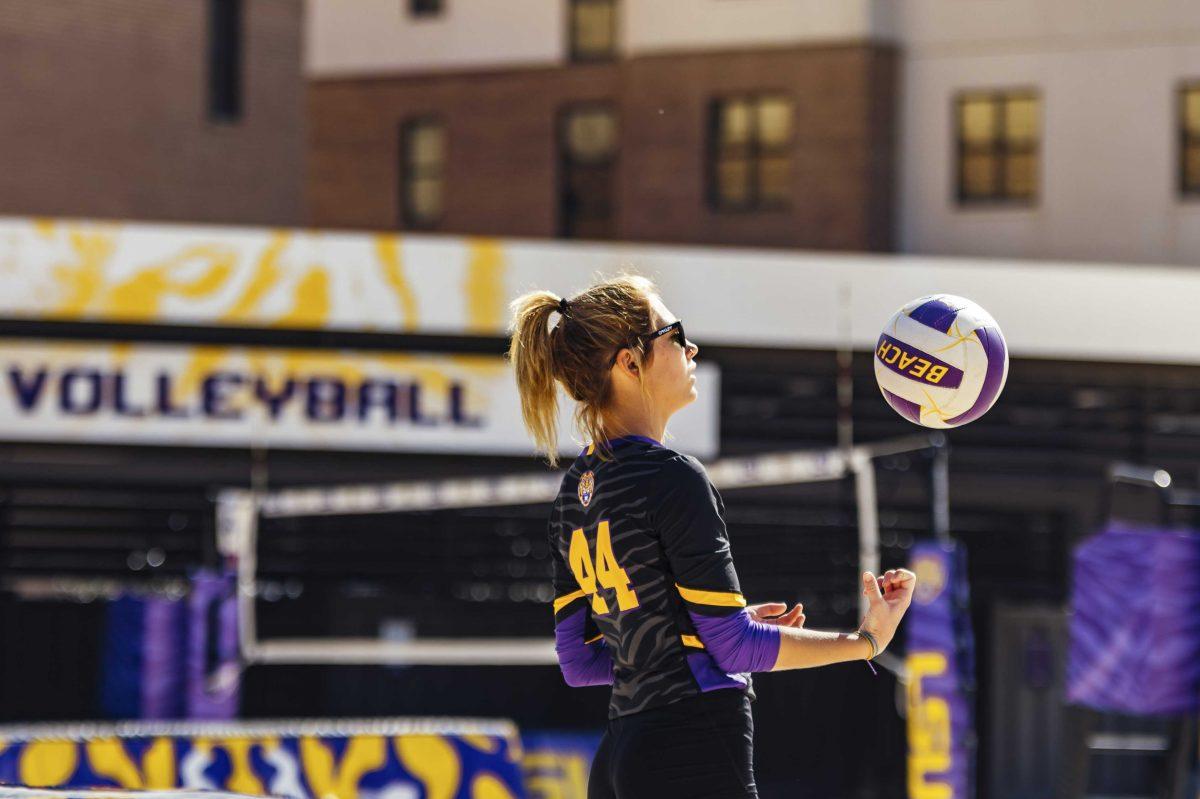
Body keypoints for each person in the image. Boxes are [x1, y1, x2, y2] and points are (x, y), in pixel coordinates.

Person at [508, 275, 916, 799]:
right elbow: (734, 647)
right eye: (673, 334)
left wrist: (699, 633)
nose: (691, 346)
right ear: (629, 363)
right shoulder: (671, 476)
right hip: (690, 747)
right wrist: (867, 641)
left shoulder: (573, 492)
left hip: (621, 755)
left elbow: (581, 661)